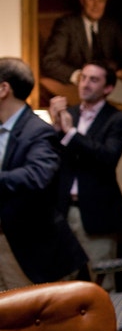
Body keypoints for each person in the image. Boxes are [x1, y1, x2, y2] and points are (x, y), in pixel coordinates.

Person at [0, 57, 87, 291]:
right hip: (5, 242)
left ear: (3, 89)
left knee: (33, 323)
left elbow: (37, 176)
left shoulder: (39, 131)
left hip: (30, 250)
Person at [48, 61, 122, 290]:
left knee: (103, 283)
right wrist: (56, 129)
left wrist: (71, 133)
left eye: (94, 80)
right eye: (83, 77)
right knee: (60, 282)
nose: (85, 84)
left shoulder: (118, 119)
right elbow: (53, 160)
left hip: (98, 212)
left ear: (108, 88)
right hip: (64, 210)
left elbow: (107, 157)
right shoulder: (69, 114)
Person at [41, 0, 122, 89]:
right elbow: (50, 62)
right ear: (82, 0)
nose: (96, 5)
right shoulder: (66, 25)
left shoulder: (110, 25)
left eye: (101, 0)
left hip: (108, 86)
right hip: (76, 89)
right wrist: (81, 76)